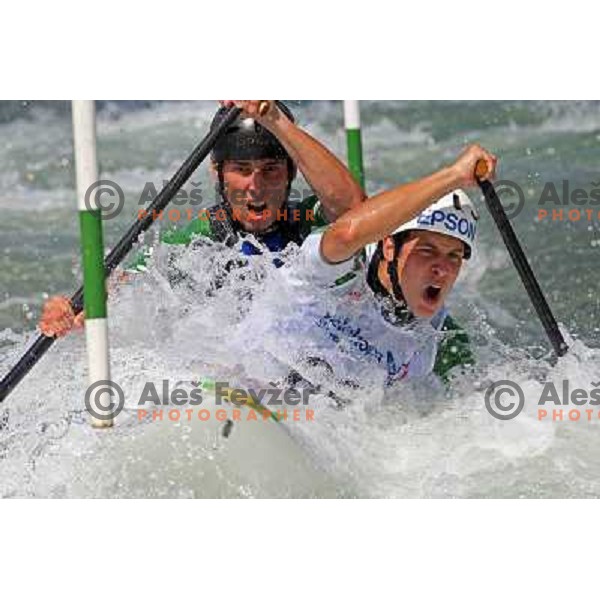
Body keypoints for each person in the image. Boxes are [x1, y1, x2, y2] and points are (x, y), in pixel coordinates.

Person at [39, 100, 365, 337]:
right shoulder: (199, 240)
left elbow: (352, 205)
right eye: (241, 170)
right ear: (218, 174)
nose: (255, 186)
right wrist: (78, 310)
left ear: (291, 172)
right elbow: (125, 286)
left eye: (270, 170)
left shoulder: (309, 220)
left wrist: (275, 120)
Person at [250, 143, 497, 389]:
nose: (442, 269)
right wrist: (454, 175)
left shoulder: (433, 338)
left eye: (453, 256)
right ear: (389, 247)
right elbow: (347, 234)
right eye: (426, 251)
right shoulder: (345, 266)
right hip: (243, 382)